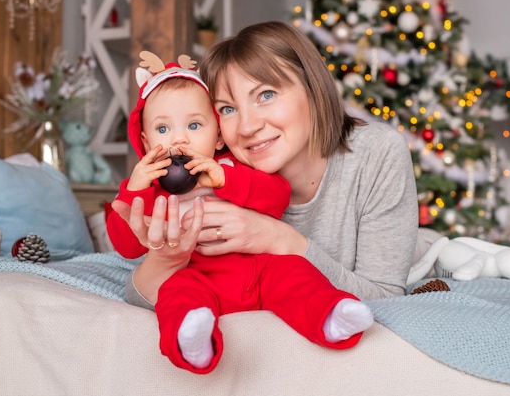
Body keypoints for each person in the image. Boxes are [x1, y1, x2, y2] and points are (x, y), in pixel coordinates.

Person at [113, 20, 419, 310]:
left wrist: (278, 238)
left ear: (313, 90)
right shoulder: (212, 174)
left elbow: (385, 299)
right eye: (228, 108)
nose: (247, 127)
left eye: (266, 95)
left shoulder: (376, 153)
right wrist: (166, 260)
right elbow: (146, 292)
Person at [107, 52, 374, 374]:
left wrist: (224, 180)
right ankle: (193, 340)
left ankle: (330, 316)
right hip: (197, 275)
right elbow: (126, 246)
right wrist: (135, 189)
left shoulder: (232, 168)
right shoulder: (148, 189)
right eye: (163, 129)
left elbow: (276, 197)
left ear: (218, 134)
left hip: (257, 271)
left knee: (293, 273)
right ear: (146, 140)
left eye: (194, 125)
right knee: (178, 293)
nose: (179, 138)